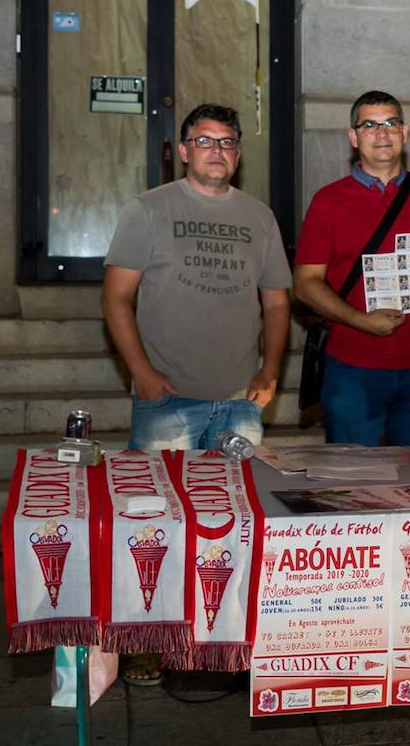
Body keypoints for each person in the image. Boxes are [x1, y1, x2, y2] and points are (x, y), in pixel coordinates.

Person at [103, 104, 290, 683]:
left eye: (228, 141)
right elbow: (115, 299)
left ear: (238, 152)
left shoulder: (260, 217)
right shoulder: (149, 210)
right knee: (153, 528)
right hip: (169, 402)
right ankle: (146, 646)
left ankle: (223, 642)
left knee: (234, 524)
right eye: (204, 140)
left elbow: (278, 302)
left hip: (239, 401)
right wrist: (141, 371)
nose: (217, 150)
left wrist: (270, 371)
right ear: (183, 149)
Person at [294, 90, 410, 445]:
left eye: (391, 123)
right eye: (370, 125)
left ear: (405, 133)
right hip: (352, 369)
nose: (382, 133)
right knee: (350, 484)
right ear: (354, 136)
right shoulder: (328, 201)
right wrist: (362, 320)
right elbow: (305, 284)